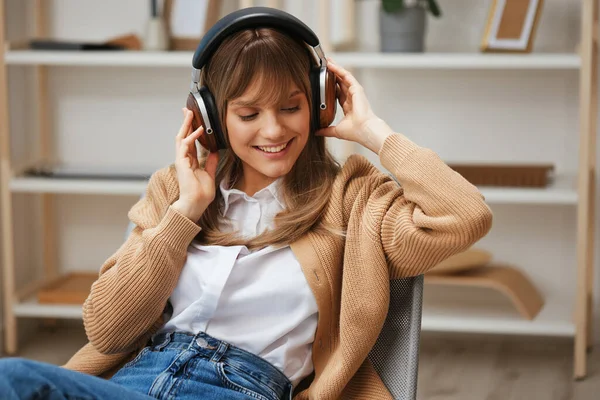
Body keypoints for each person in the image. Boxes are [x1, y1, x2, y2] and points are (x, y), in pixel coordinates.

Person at [0, 7, 492, 400]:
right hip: (136, 378)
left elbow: (466, 216)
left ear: (320, 105)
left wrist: (373, 133)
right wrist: (185, 212)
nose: (274, 130)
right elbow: (107, 330)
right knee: (12, 379)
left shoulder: (354, 201)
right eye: (249, 112)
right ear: (211, 118)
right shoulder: (174, 191)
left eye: (292, 107)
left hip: (245, 387)